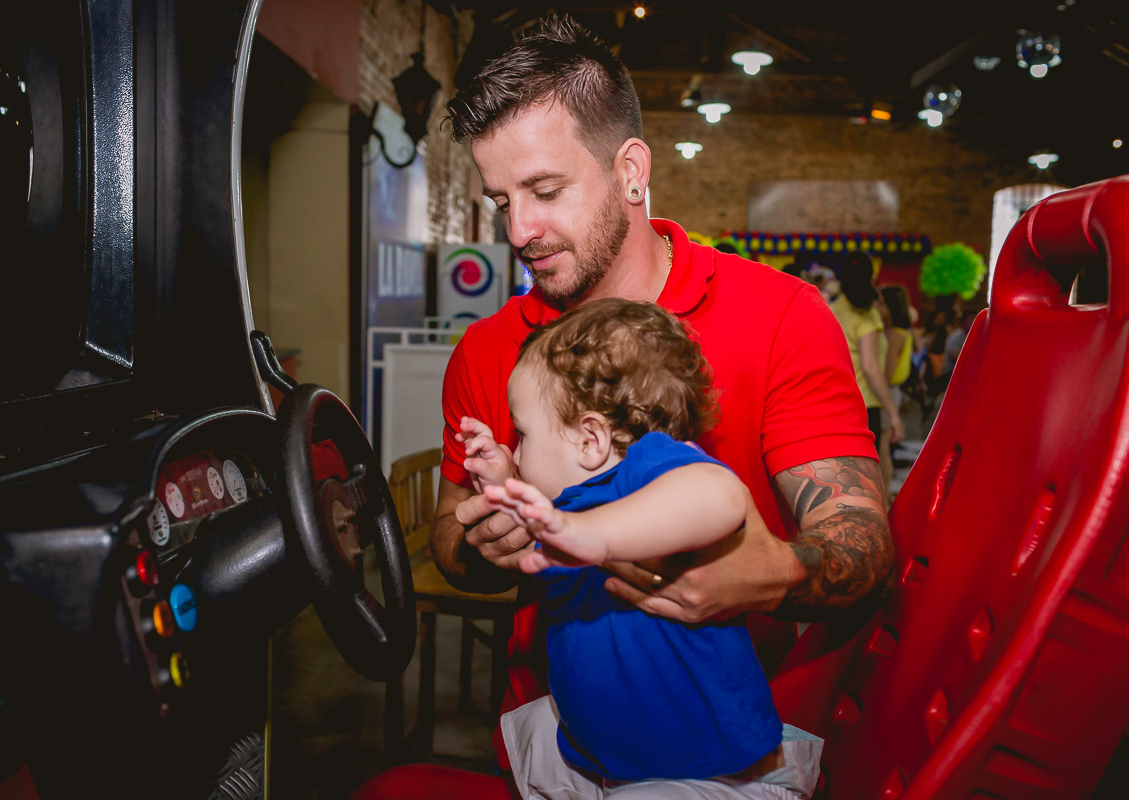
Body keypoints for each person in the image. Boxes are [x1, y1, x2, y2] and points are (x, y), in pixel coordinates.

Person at [362, 16, 896, 795]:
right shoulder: (487, 350)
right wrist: (484, 541)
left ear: (631, 170)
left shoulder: (780, 315)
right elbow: (449, 538)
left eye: (546, 191)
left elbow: (864, 546)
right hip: (565, 734)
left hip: (724, 753)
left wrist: (773, 574)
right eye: (502, 200)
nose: (520, 230)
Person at [458, 298, 822, 799]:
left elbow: (719, 495)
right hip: (615, 753)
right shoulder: (570, 503)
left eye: (521, 434)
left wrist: (595, 535)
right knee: (532, 726)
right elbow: (546, 517)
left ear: (591, 440)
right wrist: (504, 484)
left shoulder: (647, 470)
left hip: (708, 770)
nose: (515, 449)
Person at [831, 253, 905, 456]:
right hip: (862, 406)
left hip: (833, 403)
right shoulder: (867, 314)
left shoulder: (831, 309)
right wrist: (893, 411)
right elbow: (870, 367)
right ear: (871, 277)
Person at [877, 284, 915, 501]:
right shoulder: (904, 331)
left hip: (887, 391)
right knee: (885, 446)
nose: (877, 307)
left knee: (883, 446)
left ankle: (884, 493)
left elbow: (888, 372)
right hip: (894, 391)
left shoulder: (893, 334)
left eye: (882, 303)